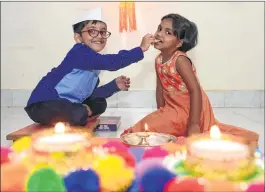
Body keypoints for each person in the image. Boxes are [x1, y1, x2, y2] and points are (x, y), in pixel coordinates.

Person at [122, 13, 259, 147]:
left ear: (179, 42)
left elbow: (195, 91)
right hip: (173, 109)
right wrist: (161, 112)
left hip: (190, 110)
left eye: (168, 32)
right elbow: (160, 88)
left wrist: (194, 124)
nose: (159, 34)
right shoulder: (158, 59)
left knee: (143, 130)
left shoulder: (180, 60)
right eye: (159, 28)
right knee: (148, 127)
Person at [25, 7, 155, 126]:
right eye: (92, 31)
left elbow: (90, 94)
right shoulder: (79, 52)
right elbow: (111, 62)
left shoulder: (94, 67)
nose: (99, 35)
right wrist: (140, 49)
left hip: (69, 104)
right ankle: (79, 113)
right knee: (78, 112)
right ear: (78, 37)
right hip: (42, 104)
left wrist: (114, 86)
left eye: (103, 32)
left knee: (100, 103)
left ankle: (78, 113)